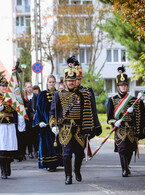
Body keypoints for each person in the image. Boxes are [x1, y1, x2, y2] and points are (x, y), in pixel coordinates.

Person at [49, 56, 102, 185]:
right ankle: (68, 176)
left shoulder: (83, 94)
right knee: (66, 155)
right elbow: (52, 113)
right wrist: (53, 125)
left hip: (79, 129)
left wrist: (90, 127)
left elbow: (88, 112)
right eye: (69, 80)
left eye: (73, 80)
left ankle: (77, 170)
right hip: (65, 129)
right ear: (65, 81)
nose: (71, 82)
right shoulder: (58, 95)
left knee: (79, 154)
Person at [107, 65, 145, 177]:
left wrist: (138, 130)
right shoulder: (112, 100)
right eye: (121, 85)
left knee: (130, 149)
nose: (123, 87)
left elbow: (139, 117)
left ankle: (126, 166)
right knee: (122, 148)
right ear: (118, 86)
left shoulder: (134, 101)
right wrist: (115, 122)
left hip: (131, 130)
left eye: (125, 85)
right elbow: (109, 117)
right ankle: (124, 169)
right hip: (120, 129)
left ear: (127, 86)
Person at [33, 75, 63, 172]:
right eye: (50, 82)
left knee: (57, 144)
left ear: (55, 83)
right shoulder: (42, 94)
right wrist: (40, 121)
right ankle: (50, 164)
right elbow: (39, 109)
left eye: (53, 82)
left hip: (56, 124)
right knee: (47, 145)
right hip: (45, 124)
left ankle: (57, 162)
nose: (51, 84)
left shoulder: (59, 94)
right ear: (47, 83)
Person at [23, 82, 38, 159]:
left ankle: (36, 150)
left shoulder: (35, 96)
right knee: (28, 135)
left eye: (30, 87)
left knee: (35, 135)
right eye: (27, 87)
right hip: (27, 119)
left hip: (34, 118)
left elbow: (38, 106)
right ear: (25, 88)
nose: (29, 88)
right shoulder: (23, 97)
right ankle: (30, 151)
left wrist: (36, 114)